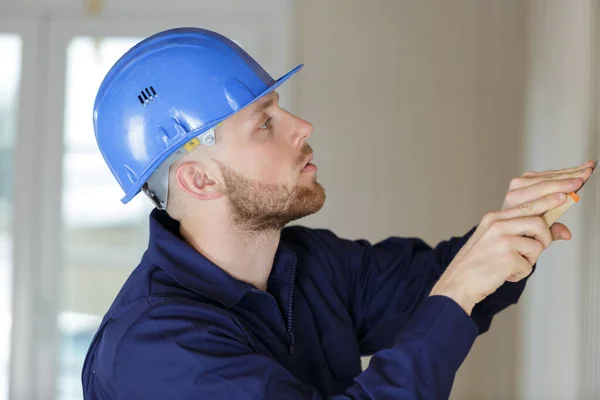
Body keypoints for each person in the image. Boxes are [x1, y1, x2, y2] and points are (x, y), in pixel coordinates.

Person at [81, 27, 595, 399]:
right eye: (265, 123)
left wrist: (513, 227)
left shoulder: (305, 263)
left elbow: (440, 284)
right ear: (200, 179)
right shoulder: (157, 346)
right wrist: (458, 289)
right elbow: (452, 293)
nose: (301, 125)